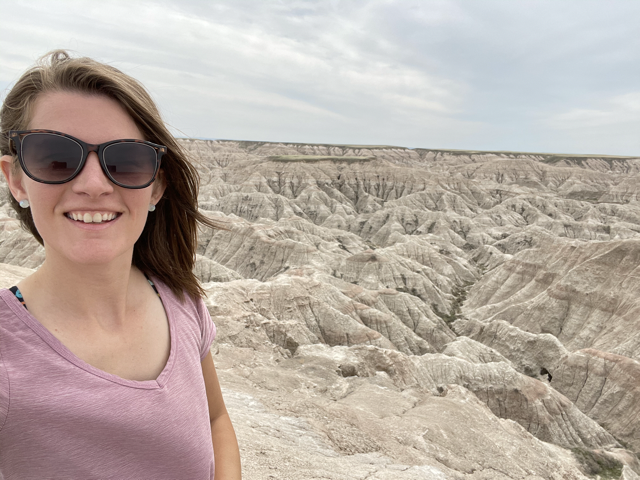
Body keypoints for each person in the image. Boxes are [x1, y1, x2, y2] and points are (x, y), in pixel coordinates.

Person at [0, 50, 241, 479]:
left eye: (125, 161)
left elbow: (216, 422)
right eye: (55, 156)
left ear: (156, 186)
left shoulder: (181, 304)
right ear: (16, 179)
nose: (93, 184)